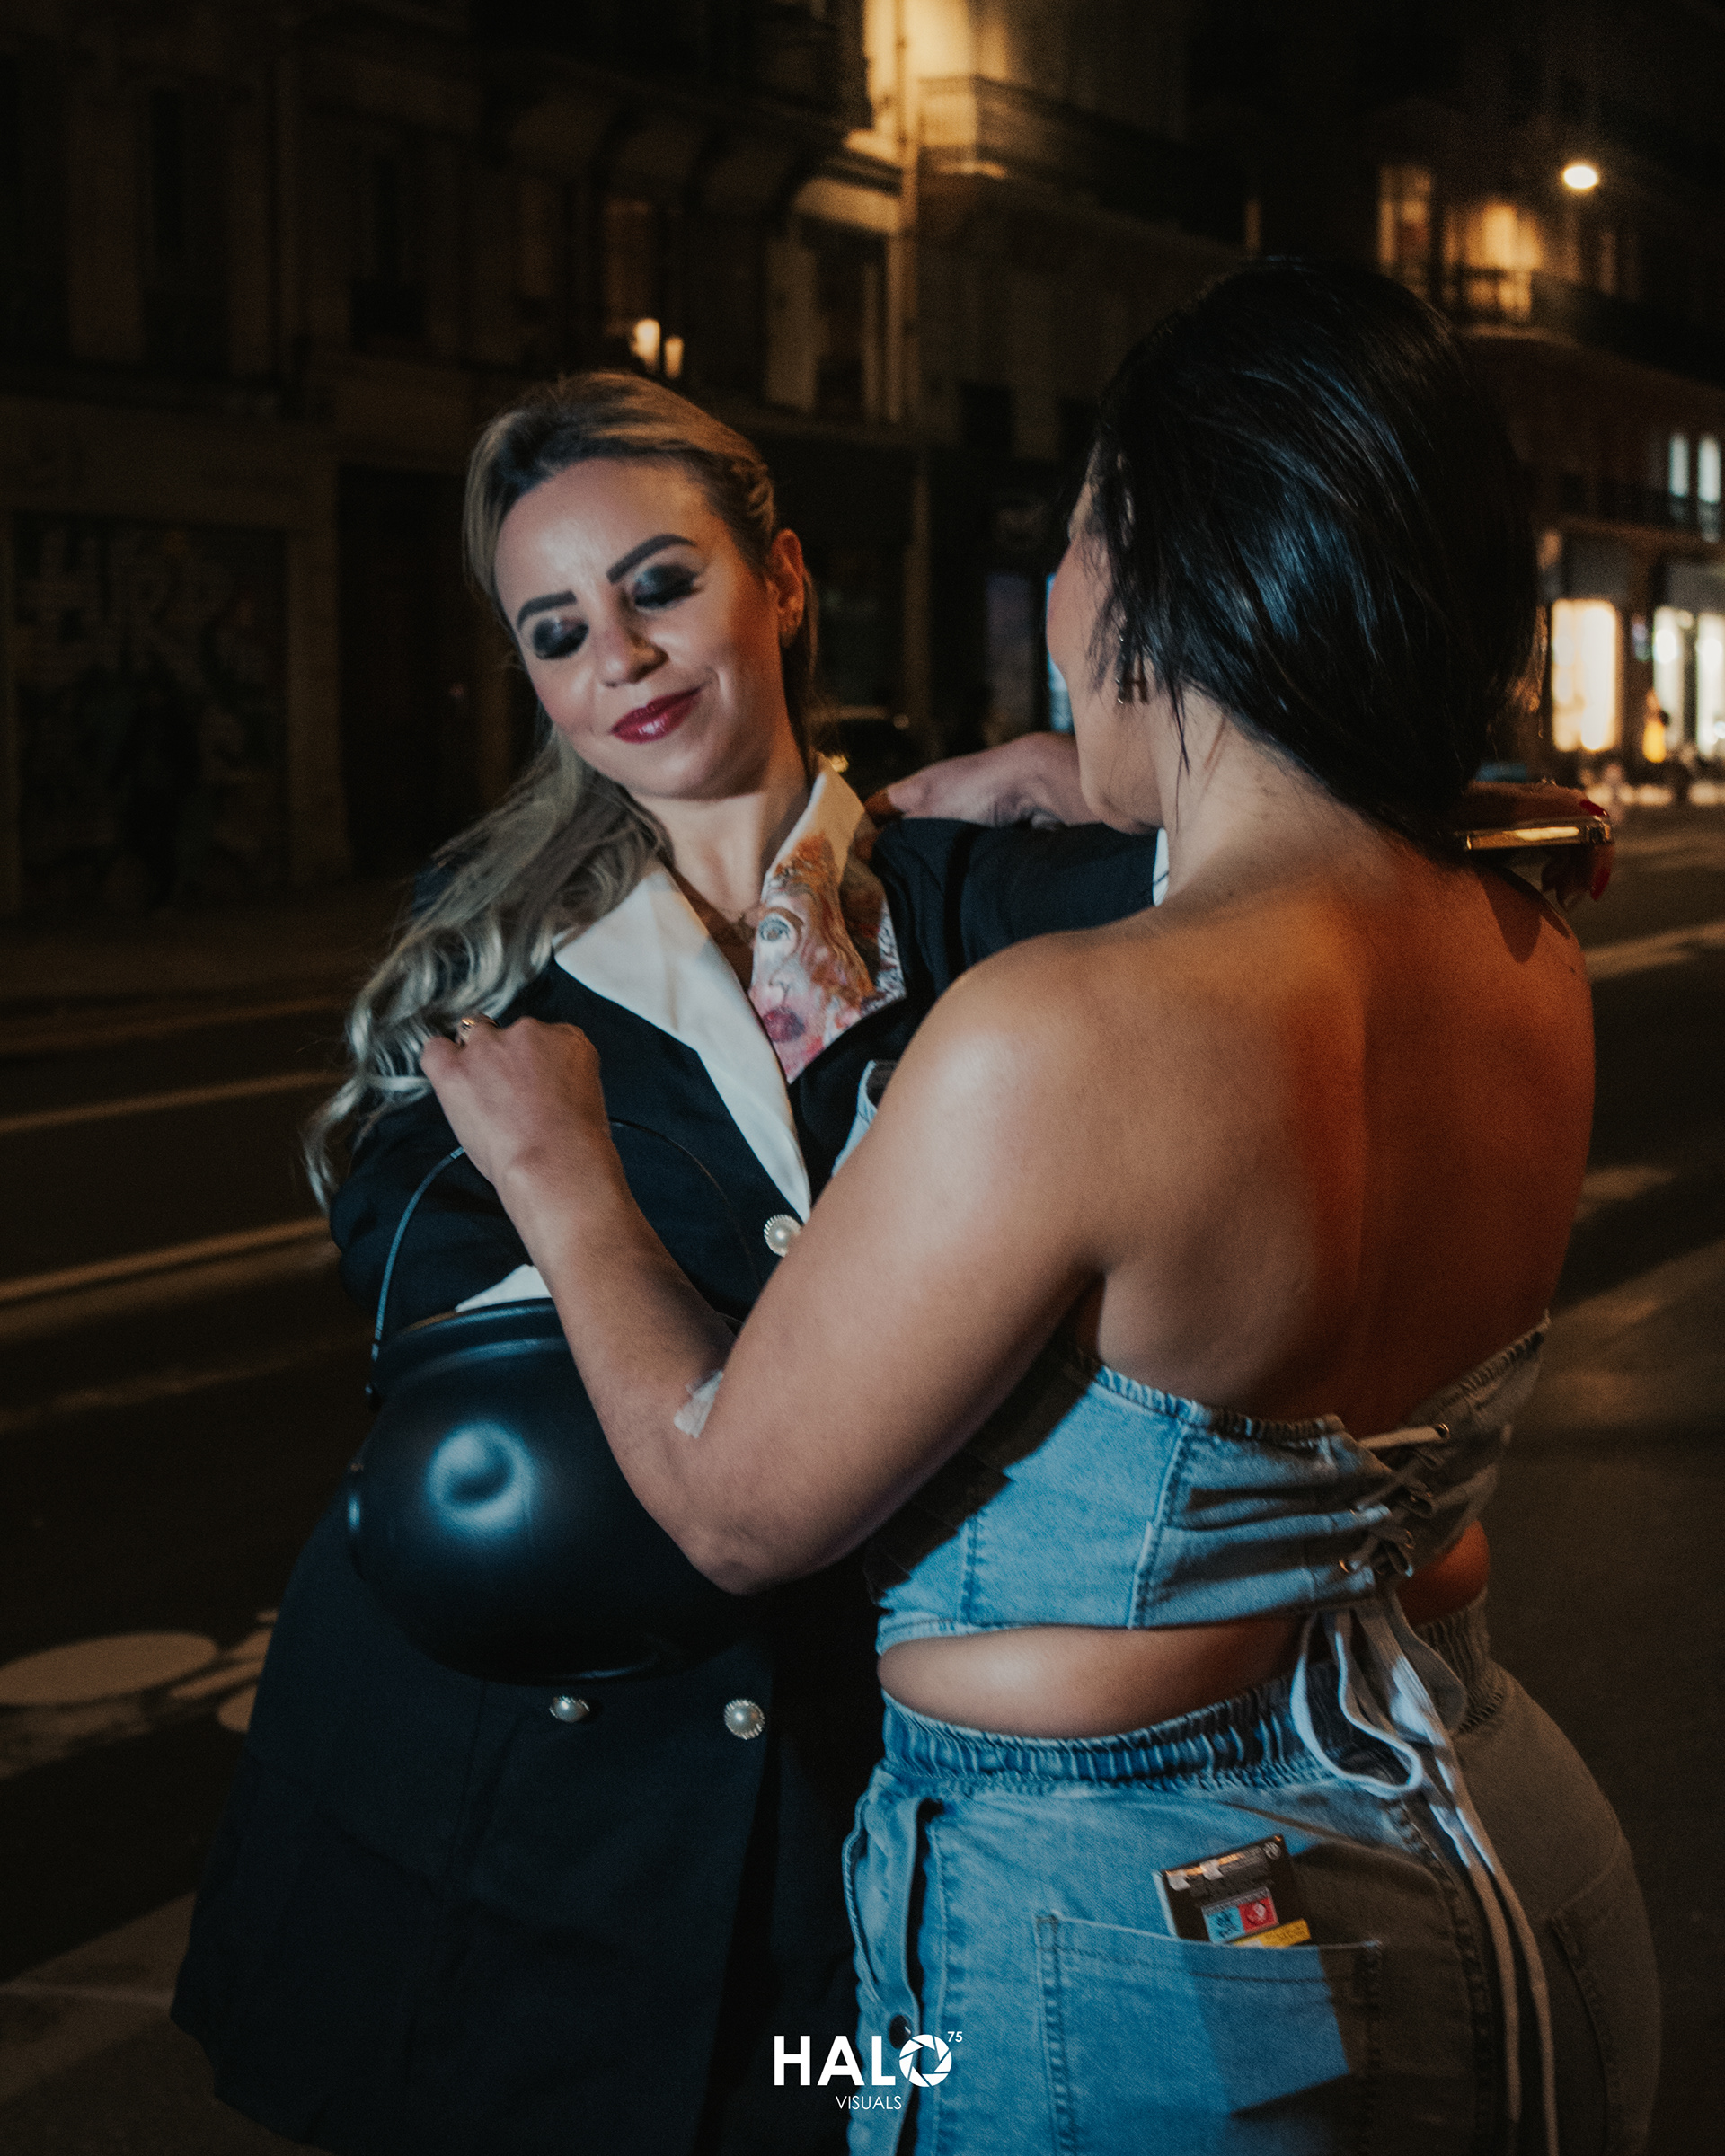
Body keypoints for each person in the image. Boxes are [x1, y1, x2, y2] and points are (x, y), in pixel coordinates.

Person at [421, 263, 1660, 2156]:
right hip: (1510, 1845)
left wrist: (560, 1179)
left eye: (1077, 537)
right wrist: (1111, 778)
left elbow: (737, 1506)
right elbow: (1365, 842)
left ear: (1149, 574)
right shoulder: (1525, 951)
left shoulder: (1060, 1034)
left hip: (1163, 1939)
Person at [171, 372, 1172, 2156]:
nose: (617, 656)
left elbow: (1376, 863)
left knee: (823, 2109)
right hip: (519, 1820)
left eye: (660, 586)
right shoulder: (488, 955)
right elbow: (422, 1289)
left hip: (839, 1818)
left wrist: (1115, 783)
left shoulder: (985, 892)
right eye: (557, 631)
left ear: (781, 580)